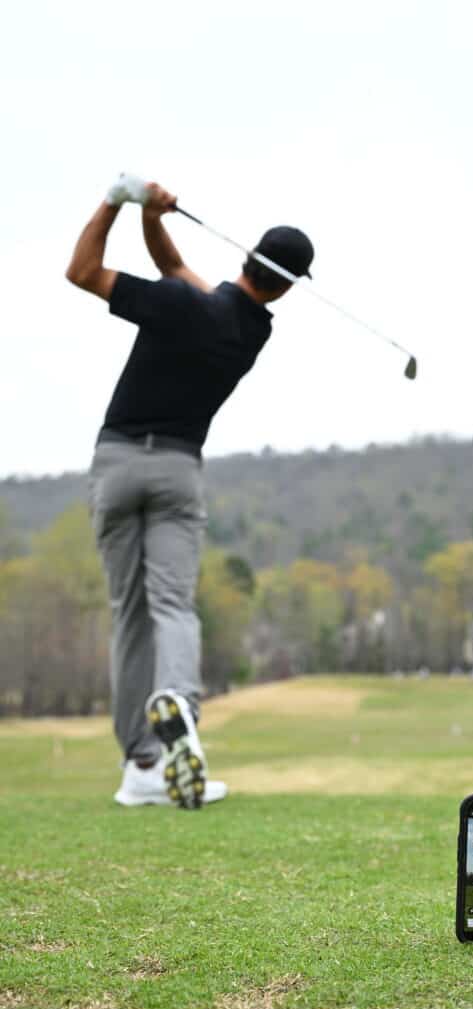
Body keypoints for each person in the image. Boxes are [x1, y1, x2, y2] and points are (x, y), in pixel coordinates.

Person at [65, 174, 314, 809]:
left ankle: (140, 765)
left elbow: (81, 270)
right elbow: (174, 263)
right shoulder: (253, 330)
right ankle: (178, 705)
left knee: (129, 614)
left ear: (245, 257)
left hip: (118, 460)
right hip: (178, 470)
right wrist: (156, 216)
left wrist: (117, 202)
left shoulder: (174, 305)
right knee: (171, 606)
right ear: (285, 287)